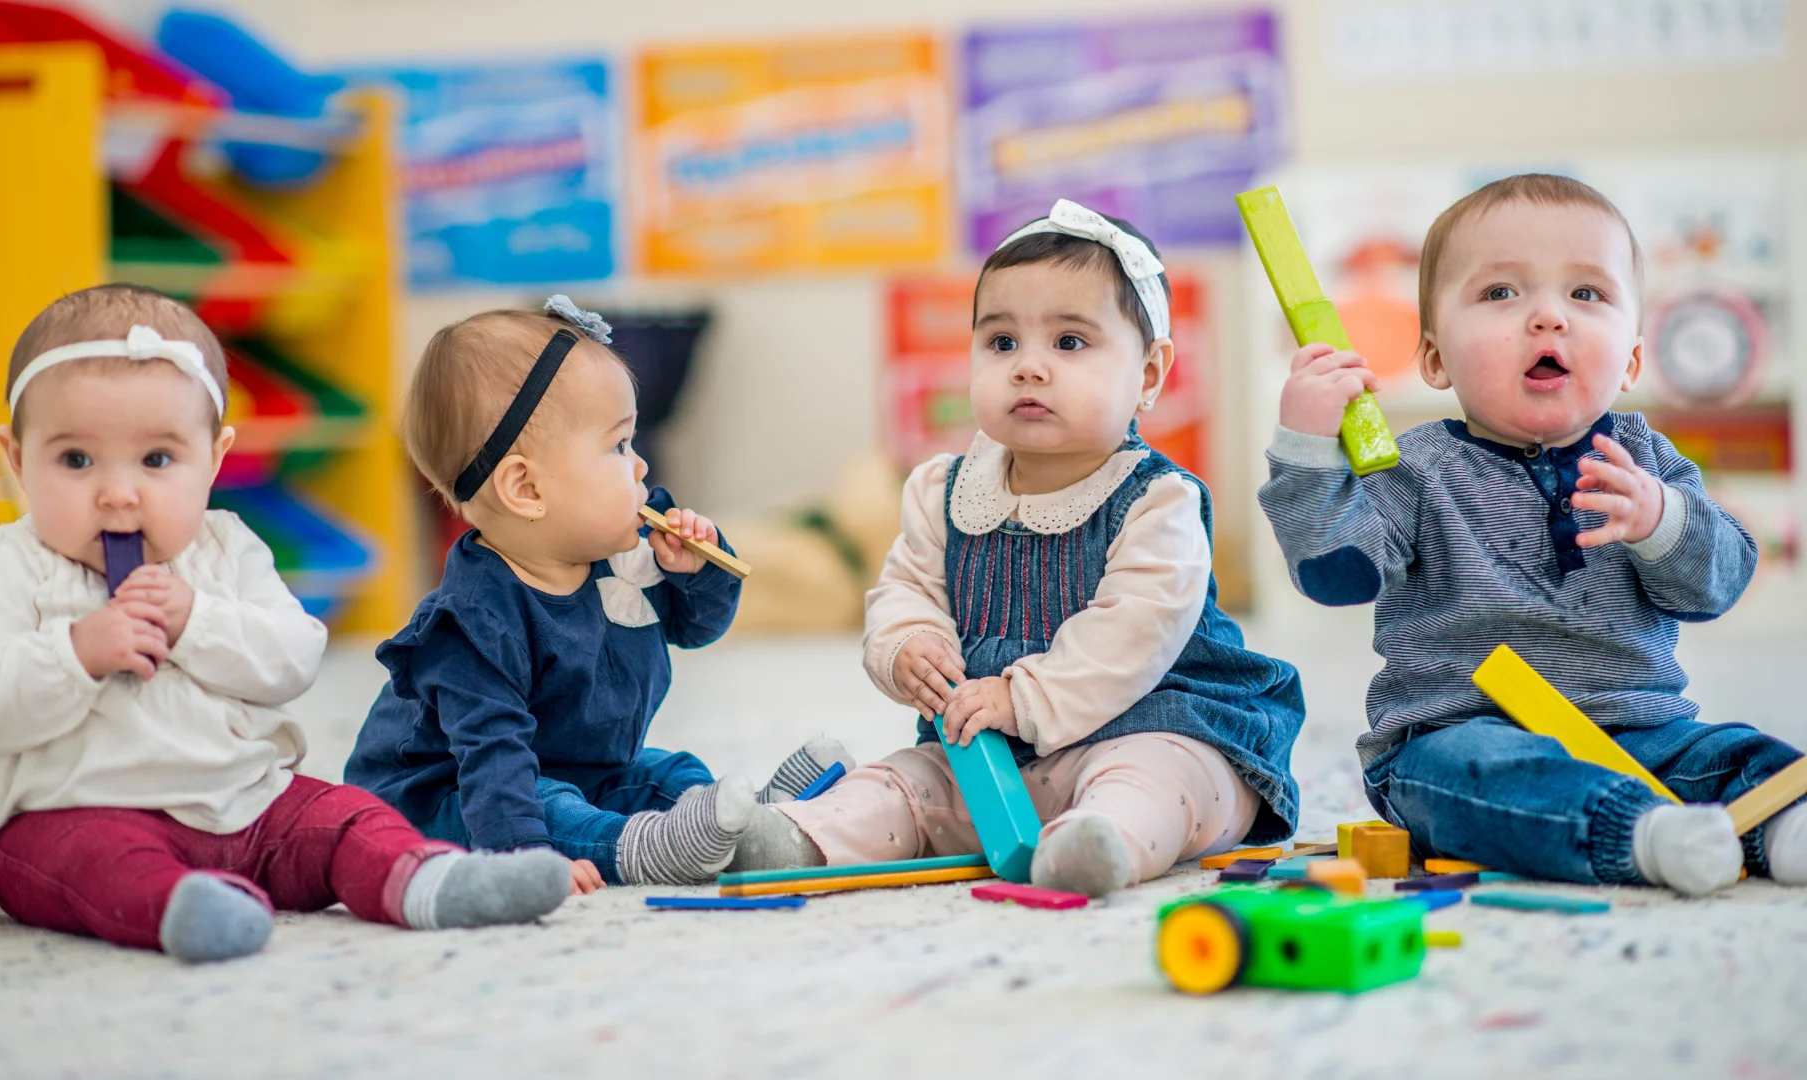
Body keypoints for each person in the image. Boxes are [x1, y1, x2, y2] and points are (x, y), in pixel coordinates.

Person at [0, 285, 569, 962]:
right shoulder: (15, 562)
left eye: (157, 459)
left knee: (343, 815)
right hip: (73, 810)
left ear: (214, 458)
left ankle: (427, 881)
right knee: (76, 862)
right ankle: (185, 909)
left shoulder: (226, 549)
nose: (118, 493)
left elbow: (292, 658)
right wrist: (76, 653)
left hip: (246, 803)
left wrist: (195, 620)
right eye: (76, 460)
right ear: (18, 459)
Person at [733, 202, 1306, 897]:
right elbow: (905, 588)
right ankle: (805, 835)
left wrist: (1022, 696)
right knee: (906, 782)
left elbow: (1135, 633)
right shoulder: (942, 491)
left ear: (1150, 374)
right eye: (1002, 342)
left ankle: (1101, 843)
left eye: (1069, 342)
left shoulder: (1158, 501)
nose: (1028, 367)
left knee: (1163, 780)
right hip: (987, 756)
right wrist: (908, 644)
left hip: (1153, 724)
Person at [1259, 174, 1807, 895]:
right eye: (1500, 293)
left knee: (1736, 754)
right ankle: (1638, 835)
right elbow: (1335, 576)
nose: (1549, 318)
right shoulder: (1415, 469)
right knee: (1462, 777)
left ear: (1632, 359)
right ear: (1435, 359)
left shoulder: (1646, 462)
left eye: (1586, 293)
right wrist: (1306, 449)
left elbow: (1719, 585)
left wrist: (1660, 520)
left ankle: (1779, 821)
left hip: (1636, 733)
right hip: (1463, 738)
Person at [347, 298, 851, 890]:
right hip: (454, 797)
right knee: (548, 806)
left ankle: (748, 826)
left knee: (672, 773)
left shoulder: (623, 551)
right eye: (618, 447)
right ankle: (643, 849)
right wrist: (527, 860)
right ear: (526, 488)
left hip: (587, 768)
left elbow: (696, 629)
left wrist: (697, 572)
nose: (640, 468)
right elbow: (493, 758)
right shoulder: (471, 624)